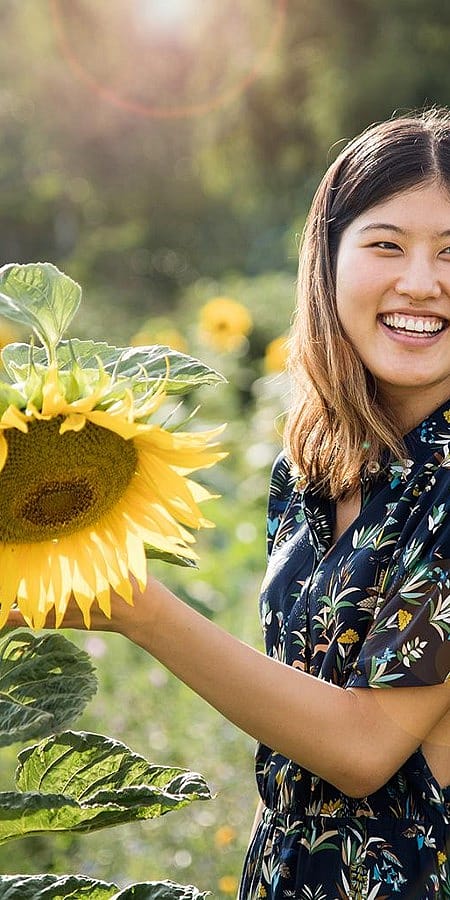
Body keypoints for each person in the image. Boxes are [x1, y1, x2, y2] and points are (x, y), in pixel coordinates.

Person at [6, 107, 450, 898]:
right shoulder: (310, 472)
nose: (421, 281)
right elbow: (293, 744)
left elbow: (363, 750)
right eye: (387, 245)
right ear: (327, 261)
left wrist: (139, 610)